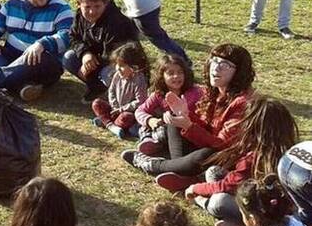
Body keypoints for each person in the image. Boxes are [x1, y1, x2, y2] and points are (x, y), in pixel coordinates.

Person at [122, 44, 254, 181]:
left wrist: (189, 125)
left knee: (205, 155)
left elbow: (222, 145)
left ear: (239, 71)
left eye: (225, 64)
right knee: (174, 117)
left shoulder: (242, 102)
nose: (216, 67)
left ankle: (154, 165)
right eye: (214, 60)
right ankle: (181, 171)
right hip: (203, 143)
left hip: (224, 155)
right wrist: (185, 116)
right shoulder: (213, 91)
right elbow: (205, 126)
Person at [177, 97, 298, 226]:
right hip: (262, 199)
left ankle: (239, 221)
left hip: (268, 210)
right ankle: (241, 222)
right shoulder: (289, 150)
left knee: (218, 201)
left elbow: (227, 186)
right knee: (214, 171)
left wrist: (195, 189)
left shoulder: (254, 158)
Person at [0, 0, 73, 102]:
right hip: (12, 57)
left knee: (37, 59)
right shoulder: (12, 4)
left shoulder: (61, 7)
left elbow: (67, 36)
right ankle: (22, 87)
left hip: (41, 62)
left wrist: (42, 44)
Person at [62, 0, 138, 103]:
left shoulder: (116, 22)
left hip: (121, 63)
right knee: (69, 58)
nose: (92, 12)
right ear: (78, 4)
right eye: (87, 7)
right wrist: (85, 54)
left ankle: (122, 95)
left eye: (97, 6)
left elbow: (112, 55)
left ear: (106, 2)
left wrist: (89, 66)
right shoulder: (80, 15)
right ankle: (98, 88)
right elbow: (73, 36)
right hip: (96, 58)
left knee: (107, 73)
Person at [133, 55, 202, 156]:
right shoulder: (158, 95)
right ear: (162, 76)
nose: (176, 76)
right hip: (165, 130)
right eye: (171, 73)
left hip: (187, 131)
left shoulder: (195, 92)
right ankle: (150, 142)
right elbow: (140, 111)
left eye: (180, 72)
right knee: (145, 127)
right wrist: (150, 120)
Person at [91, 42, 149, 139]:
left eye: (122, 65)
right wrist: (114, 105)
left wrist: (122, 109)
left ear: (134, 67)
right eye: (117, 65)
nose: (118, 68)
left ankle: (107, 121)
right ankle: (110, 125)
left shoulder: (139, 80)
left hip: (128, 112)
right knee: (97, 103)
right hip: (115, 108)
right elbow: (111, 91)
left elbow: (140, 102)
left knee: (126, 117)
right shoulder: (117, 75)